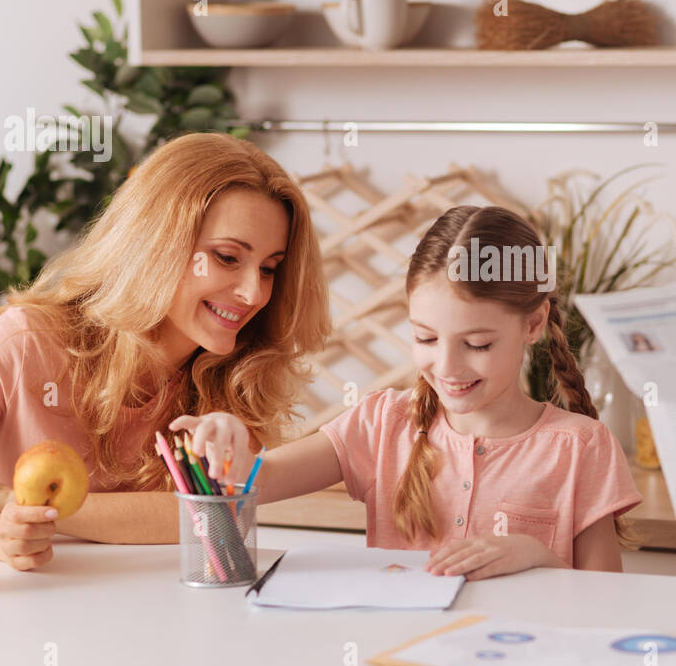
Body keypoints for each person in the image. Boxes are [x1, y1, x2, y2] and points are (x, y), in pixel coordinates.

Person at [0, 133, 330, 571]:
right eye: (228, 257)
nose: (253, 293)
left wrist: (5, 499)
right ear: (155, 243)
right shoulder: (25, 344)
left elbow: (210, 517)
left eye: (269, 268)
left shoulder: (238, 374)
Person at [172, 205, 642, 579]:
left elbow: (607, 605)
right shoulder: (383, 423)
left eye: (477, 344)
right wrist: (228, 447)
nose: (448, 366)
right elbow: (258, 481)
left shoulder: (581, 446)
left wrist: (536, 558)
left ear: (534, 323)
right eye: (426, 338)